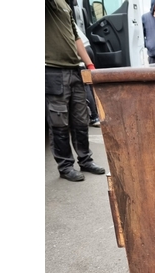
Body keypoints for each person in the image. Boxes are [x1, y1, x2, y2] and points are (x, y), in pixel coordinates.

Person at [45, 0, 105, 182]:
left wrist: (90, 64)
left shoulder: (65, 4)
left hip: (74, 68)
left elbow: (76, 37)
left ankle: (85, 160)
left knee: (81, 119)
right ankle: (65, 166)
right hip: (52, 69)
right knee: (59, 122)